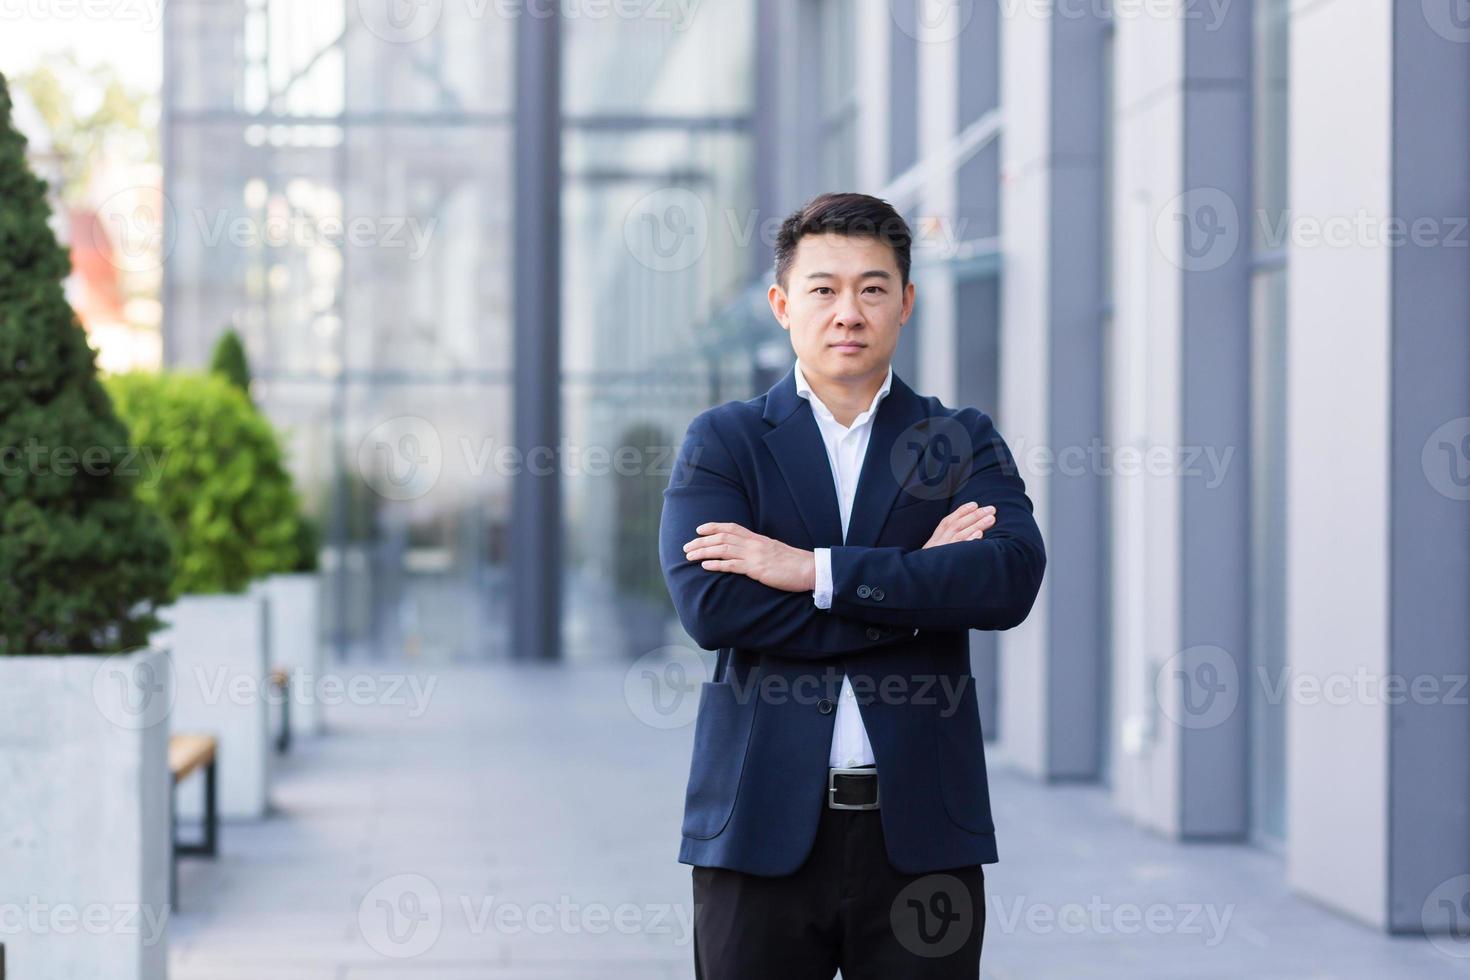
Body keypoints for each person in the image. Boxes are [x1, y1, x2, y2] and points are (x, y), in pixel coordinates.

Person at [658, 191, 1047, 978]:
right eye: (823, 289)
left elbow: (1006, 580)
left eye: (872, 288)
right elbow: (713, 607)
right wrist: (919, 590)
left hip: (922, 841)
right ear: (781, 304)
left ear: (906, 303)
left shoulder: (957, 437)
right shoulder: (725, 442)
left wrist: (811, 572)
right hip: (757, 833)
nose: (848, 312)